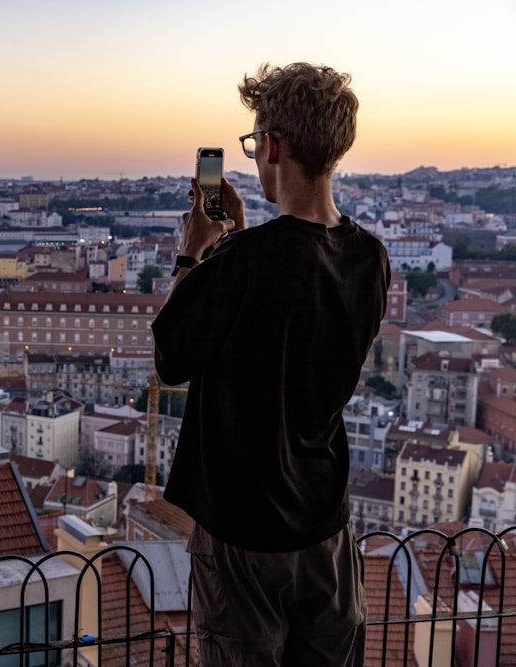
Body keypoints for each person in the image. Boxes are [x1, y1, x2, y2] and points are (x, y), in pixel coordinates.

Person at [151, 62, 390, 666]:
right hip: (327, 533)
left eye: (254, 141)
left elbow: (171, 358)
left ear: (275, 145)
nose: (254, 155)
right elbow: (293, 295)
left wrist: (194, 252)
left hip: (245, 537)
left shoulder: (241, 261)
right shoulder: (370, 257)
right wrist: (241, 242)